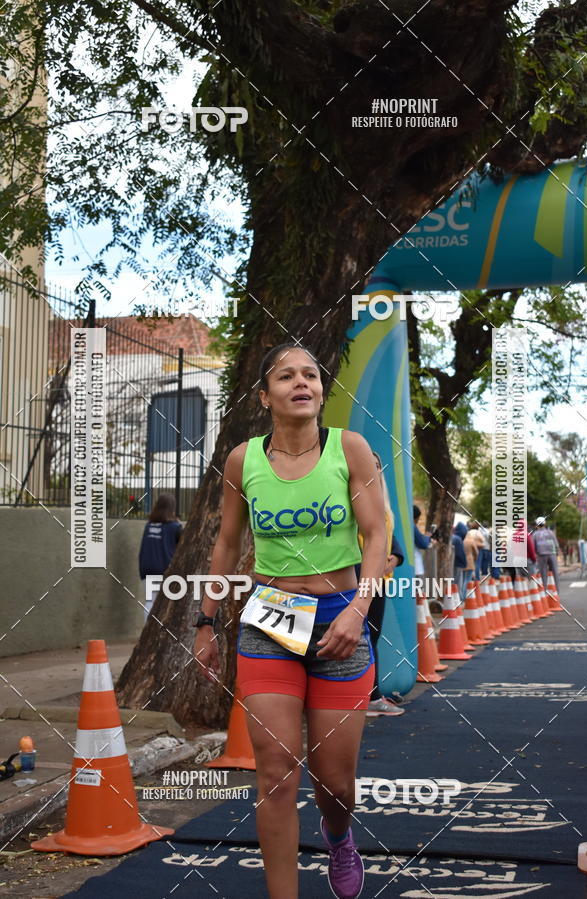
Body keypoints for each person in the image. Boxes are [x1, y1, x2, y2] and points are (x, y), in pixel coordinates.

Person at [193, 343, 387, 899]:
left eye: (310, 375)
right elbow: (227, 545)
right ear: (265, 395)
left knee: (335, 781)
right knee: (275, 771)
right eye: (286, 376)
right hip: (271, 620)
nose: (301, 382)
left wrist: (358, 609)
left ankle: (338, 835)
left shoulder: (349, 449)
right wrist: (205, 623)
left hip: (339, 619)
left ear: (321, 391)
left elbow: (377, 534)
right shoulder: (242, 459)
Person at [360, 453, 405, 717]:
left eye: (378, 465)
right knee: (360, 637)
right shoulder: (352, 496)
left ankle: (371, 695)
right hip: (358, 580)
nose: (374, 469)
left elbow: (389, 536)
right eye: (369, 464)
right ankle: (367, 696)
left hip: (379, 581)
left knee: (371, 636)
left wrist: (395, 557)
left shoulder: (383, 502)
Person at [138, 492, 183, 620]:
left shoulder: (149, 525)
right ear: (172, 508)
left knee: (150, 601)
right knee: (169, 604)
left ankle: (147, 630)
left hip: (147, 569)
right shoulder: (175, 527)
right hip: (165, 569)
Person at [533, 516, 560, 594]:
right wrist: (557, 553)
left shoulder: (535, 534)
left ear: (537, 524)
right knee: (555, 573)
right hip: (552, 554)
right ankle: (556, 591)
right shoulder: (550, 532)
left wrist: (535, 555)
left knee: (543, 574)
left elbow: (534, 547)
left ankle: (544, 592)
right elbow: (556, 544)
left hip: (541, 555)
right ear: (544, 524)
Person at [413, 505, 432, 577]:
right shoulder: (412, 526)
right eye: (418, 518)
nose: (418, 521)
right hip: (416, 568)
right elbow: (423, 544)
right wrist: (427, 538)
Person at [463, 521, 484, 587]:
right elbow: (482, 539)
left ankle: (472, 577)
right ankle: (477, 578)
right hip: (477, 548)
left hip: (469, 549)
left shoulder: (469, 532)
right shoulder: (478, 532)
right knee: (477, 564)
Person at [451, 521, 467, 599]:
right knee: (457, 583)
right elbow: (461, 554)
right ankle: (457, 599)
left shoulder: (452, 537)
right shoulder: (458, 539)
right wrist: (464, 563)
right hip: (458, 564)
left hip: (451, 563)